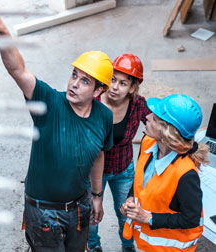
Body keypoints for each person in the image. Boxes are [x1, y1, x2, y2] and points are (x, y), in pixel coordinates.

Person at [0, 1, 114, 251]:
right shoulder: (49, 102)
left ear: (99, 91)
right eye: (74, 75)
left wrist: (97, 196)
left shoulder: (104, 116)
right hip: (43, 214)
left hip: (79, 208)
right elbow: (18, 70)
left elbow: (99, 156)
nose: (74, 84)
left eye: (85, 81)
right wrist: (3, 32)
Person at [121, 94, 209, 252]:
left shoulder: (186, 174)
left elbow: (191, 218)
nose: (147, 116)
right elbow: (141, 179)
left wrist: (149, 218)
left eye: (154, 118)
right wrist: (130, 198)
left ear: (166, 133)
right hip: (143, 244)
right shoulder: (148, 142)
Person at [87, 54, 150, 252]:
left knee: (125, 213)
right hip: (92, 172)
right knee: (91, 215)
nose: (115, 87)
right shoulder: (93, 102)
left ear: (132, 88)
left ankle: (127, 245)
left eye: (123, 83)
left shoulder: (138, 104)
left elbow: (156, 127)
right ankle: (94, 246)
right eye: (113, 80)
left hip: (123, 169)